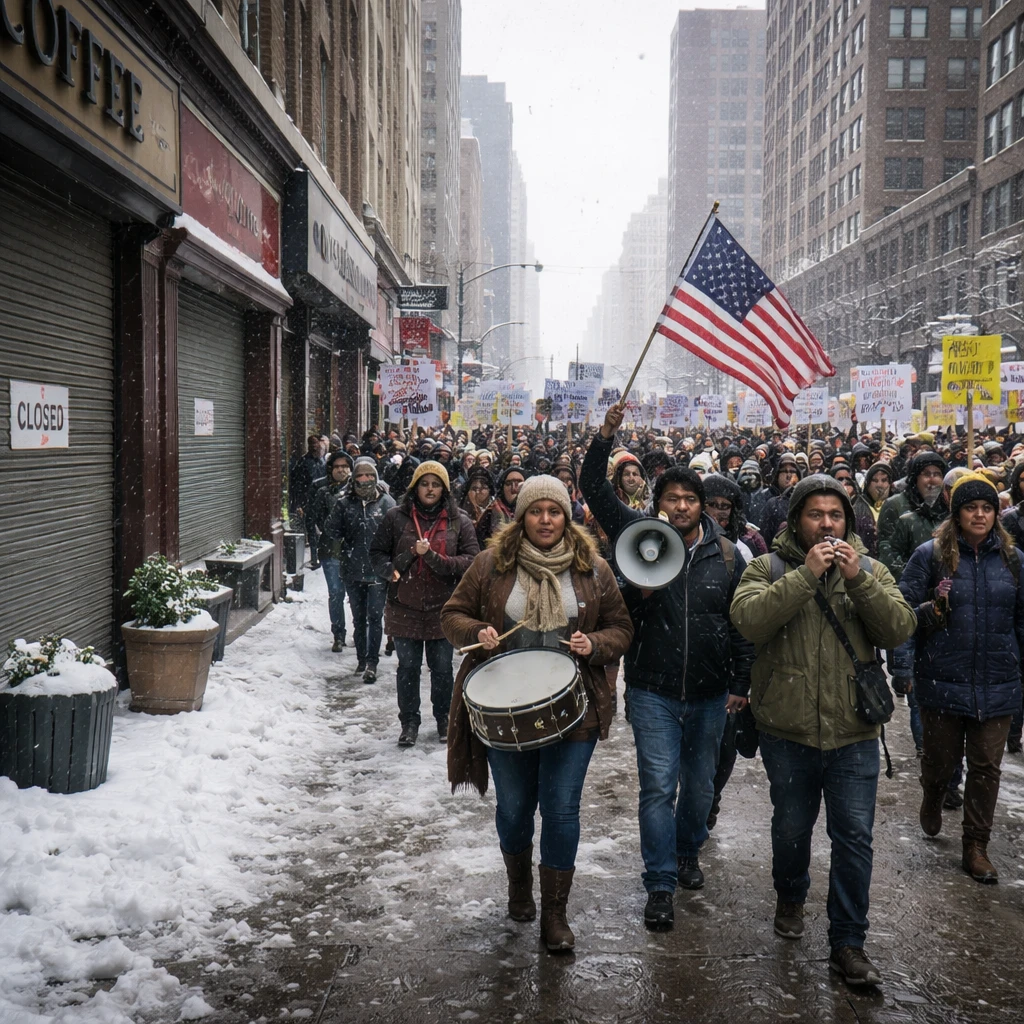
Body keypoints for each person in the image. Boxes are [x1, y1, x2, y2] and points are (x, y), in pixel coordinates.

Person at [730, 474, 916, 989]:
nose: (827, 524)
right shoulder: (768, 567)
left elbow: (899, 628)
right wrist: (804, 578)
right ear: (796, 521)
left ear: (849, 521)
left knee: (853, 838)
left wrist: (859, 581)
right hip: (786, 731)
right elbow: (748, 621)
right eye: (816, 514)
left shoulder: (871, 569)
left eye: (836, 515)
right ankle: (790, 894)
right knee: (791, 828)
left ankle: (848, 942)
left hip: (852, 732)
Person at [441, 476, 633, 953]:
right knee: (514, 808)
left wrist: (597, 644)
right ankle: (519, 886)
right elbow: (452, 615)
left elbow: (621, 627)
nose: (545, 520)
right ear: (521, 516)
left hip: (574, 711)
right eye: (535, 511)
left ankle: (555, 914)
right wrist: (478, 629)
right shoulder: (491, 564)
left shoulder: (594, 568)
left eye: (554, 511)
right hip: (505, 711)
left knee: (562, 809)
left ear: (567, 517)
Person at [580, 404, 753, 932]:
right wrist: (605, 436)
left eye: (689, 499)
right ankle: (659, 882)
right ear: (657, 505)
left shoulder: (728, 556)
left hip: (708, 693)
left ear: (705, 507)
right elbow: (593, 487)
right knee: (658, 785)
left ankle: (686, 853)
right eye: (671, 499)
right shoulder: (638, 535)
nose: (680, 506)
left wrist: (740, 683)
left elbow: (742, 624)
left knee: (699, 788)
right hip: (653, 689)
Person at [898, 473, 1024, 884]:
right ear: (957, 513)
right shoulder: (930, 555)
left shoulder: (1013, 560)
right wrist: (903, 666)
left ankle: (976, 846)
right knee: (941, 762)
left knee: (986, 767)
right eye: (971, 507)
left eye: (988, 508)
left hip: (998, 682)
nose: (980, 515)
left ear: (997, 514)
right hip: (941, 679)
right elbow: (902, 615)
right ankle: (932, 793)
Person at [370, 461, 480, 746]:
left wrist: (437, 560)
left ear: (444, 488)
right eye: (424, 483)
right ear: (415, 487)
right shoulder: (396, 517)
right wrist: (395, 567)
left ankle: (444, 718)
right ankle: (409, 722)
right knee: (407, 668)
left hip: (444, 609)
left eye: (435, 484)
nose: (429, 489)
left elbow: (472, 560)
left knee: (442, 668)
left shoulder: (460, 520)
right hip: (403, 606)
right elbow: (377, 554)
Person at [326, 457, 395, 681]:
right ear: (353, 479)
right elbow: (331, 530)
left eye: (368, 476)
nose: (364, 480)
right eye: (360, 477)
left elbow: (397, 535)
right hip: (353, 569)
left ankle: (372, 663)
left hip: (378, 571)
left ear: (375, 478)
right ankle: (361, 659)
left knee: (375, 617)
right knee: (359, 618)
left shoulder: (387, 503)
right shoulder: (345, 504)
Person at [310, 451, 353, 651]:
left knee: (356, 595)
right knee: (336, 593)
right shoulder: (323, 492)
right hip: (330, 551)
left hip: (355, 552)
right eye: (337, 466)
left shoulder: (358, 490)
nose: (341, 470)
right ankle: (338, 633)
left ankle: (361, 634)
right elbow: (315, 518)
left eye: (344, 466)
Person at [289, 434, 326, 565]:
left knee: (322, 528)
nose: (314, 446)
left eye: (316, 443)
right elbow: (298, 484)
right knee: (311, 528)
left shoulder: (322, 461)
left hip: (322, 499)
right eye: (312, 444)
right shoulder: (304, 462)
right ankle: (315, 557)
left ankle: (321, 555)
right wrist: (299, 503)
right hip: (309, 500)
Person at [479, 467, 526, 545]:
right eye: (508, 483)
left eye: (518, 483)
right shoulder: (490, 513)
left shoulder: (533, 511)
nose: (513, 488)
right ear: (502, 488)